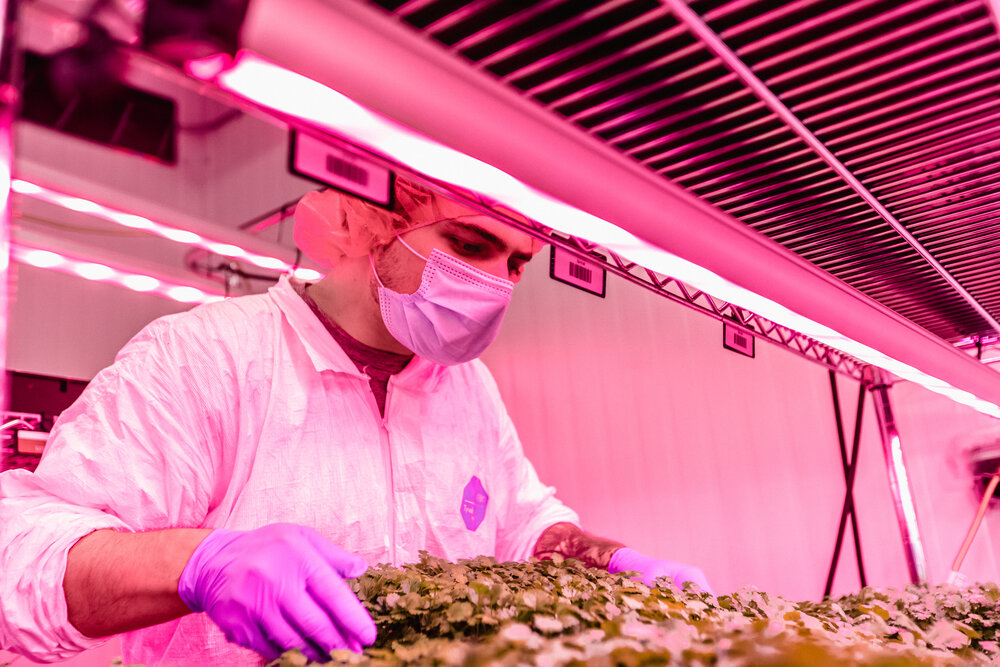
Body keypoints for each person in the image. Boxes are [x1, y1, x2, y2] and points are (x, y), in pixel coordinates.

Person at [0, 177, 712, 666]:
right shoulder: (208, 356)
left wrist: (609, 562)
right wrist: (198, 563)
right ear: (373, 222)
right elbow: (26, 552)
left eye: (517, 262)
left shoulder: (469, 389)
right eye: (469, 245)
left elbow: (520, 525)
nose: (496, 283)